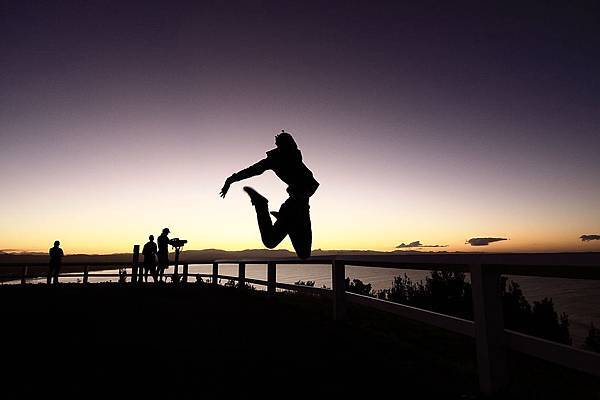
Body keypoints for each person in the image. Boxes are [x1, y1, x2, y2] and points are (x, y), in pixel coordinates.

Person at [220, 130, 319, 259]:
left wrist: (231, 180)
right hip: (297, 206)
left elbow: (253, 170)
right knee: (301, 253)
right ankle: (264, 207)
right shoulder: (284, 157)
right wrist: (231, 179)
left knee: (277, 244)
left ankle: (278, 216)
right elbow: (252, 170)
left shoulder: (289, 157)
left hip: (294, 206)